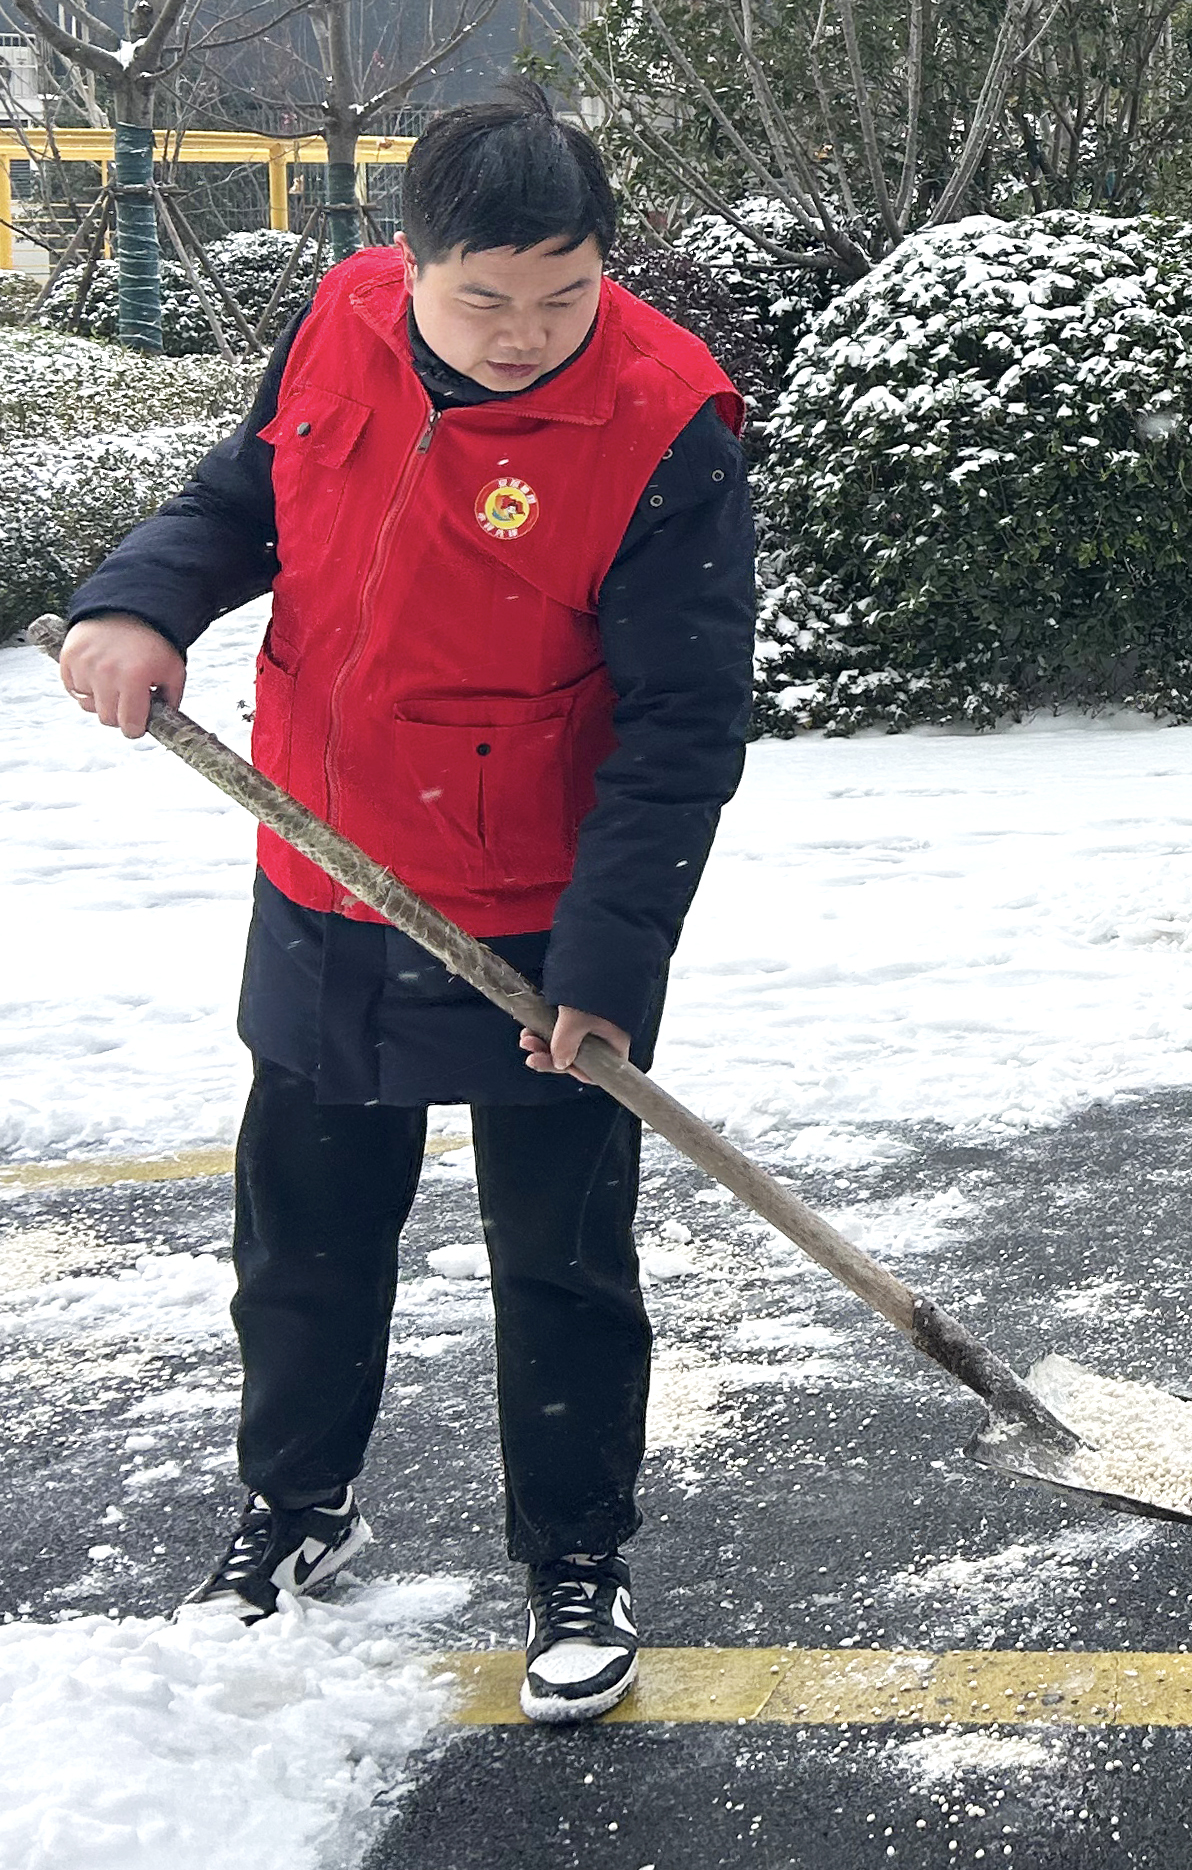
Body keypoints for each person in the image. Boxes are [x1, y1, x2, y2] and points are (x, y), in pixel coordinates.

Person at [56, 92, 751, 1724]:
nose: (524, 336)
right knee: (299, 1238)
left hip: (533, 906)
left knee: (563, 1258)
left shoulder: (665, 426)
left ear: (604, 265)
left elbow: (680, 730)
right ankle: (293, 1505)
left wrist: (608, 963)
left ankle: (576, 1554)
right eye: (484, 297)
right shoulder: (340, 320)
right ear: (411, 261)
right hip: (324, 861)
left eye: (563, 296)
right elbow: (247, 497)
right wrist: (140, 599)